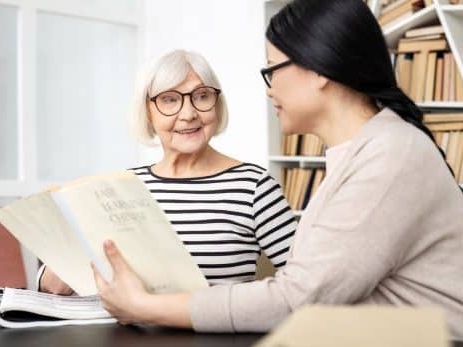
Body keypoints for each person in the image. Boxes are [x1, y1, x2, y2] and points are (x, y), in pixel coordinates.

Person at [90, 0, 463, 342]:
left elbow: (298, 297)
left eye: (273, 69)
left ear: (317, 69)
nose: (269, 88)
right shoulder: (364, 153)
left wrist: (145, 307)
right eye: (169, 101)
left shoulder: (391, 156)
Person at [38, 50, 297, 293]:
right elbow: (55, 287)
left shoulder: (253, 185)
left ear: (217, 104)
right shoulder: (124, 188)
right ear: (148, 113)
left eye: (202, 96)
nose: (188, 114)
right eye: (169, 100)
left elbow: (307, 281)